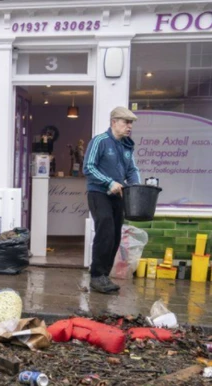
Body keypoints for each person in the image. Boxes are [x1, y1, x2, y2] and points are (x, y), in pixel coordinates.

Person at [83, 106, 141, 294]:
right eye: (126, 122)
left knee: (115, 235)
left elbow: (131, 170)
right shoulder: (99, 141)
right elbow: (88, 167)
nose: (129, 126)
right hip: (99, 193)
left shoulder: (126, 145)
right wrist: (109, 182)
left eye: (131, 123)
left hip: (119, 195)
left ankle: (104, 276)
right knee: (106, 229)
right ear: (114, 122)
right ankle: (97, 276)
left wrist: (135, 187)